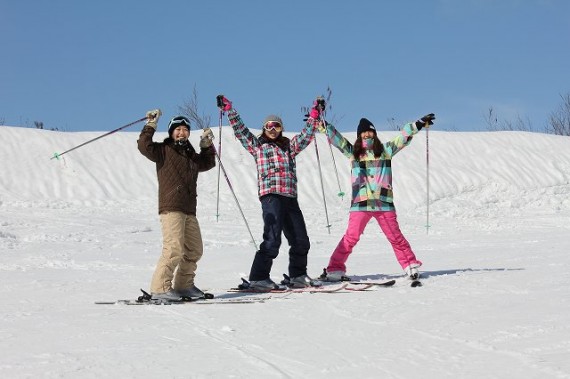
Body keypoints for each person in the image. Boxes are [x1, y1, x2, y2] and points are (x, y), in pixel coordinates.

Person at [217, 95, 323, 291]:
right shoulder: (258, 146)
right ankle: (258, 277)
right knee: (273, 238)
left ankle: (298, 275)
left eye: (276, 126)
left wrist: (314, 115)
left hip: (290, 197)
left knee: (301, 240)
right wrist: (230, 111)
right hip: (271, 196)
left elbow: (307, 135)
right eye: (269, 126)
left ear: (281, 128)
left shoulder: (289, 147)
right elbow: (241, 131)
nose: (272, 129)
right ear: (264, 129)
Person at [318, 113, 435, 282]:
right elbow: (337, 139)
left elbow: (402, 138)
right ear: (359, 136)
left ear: (374, 134)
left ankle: (410, 265)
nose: (367, 135)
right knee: (350, 238)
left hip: (383, 203)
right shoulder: (353, 153)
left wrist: (418, 124)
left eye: (370, 132)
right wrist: (323, 124)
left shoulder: (385, 151)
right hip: (361, 204)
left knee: (395, 237)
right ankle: (334, 269)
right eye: (363, 133)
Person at [137, 110, 216, 301]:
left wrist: (207, 146)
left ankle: (183, 286)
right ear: (171, 132)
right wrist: (150, 125)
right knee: (173, 249)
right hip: (171, 206)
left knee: (194, 250)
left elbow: (208, 163)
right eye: (177, 129)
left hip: (189, 208)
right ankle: (160, 288)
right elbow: (143, 146)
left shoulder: (191, 156)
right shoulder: (163, 150)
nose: (181, 133)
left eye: (185, 129)